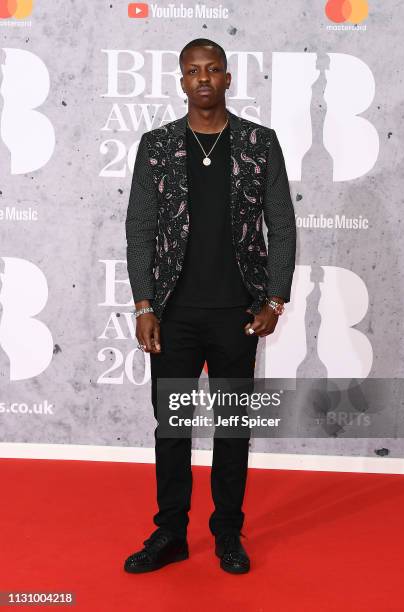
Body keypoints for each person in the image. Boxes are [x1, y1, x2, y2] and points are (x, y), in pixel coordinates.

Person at [124, 38, 296, 574]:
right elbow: (141, 228)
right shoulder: (156, 146)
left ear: (227, 78)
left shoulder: (258, 144)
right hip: (174, 314)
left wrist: (274, 299)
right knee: (171, 428)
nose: (203, 78)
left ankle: (227, 533)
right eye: (192, 71)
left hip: (237, 315)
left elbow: (282, 225)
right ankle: (170, 532)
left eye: (213, 69)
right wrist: (144, 305)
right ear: (181, 82)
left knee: (232, 427)